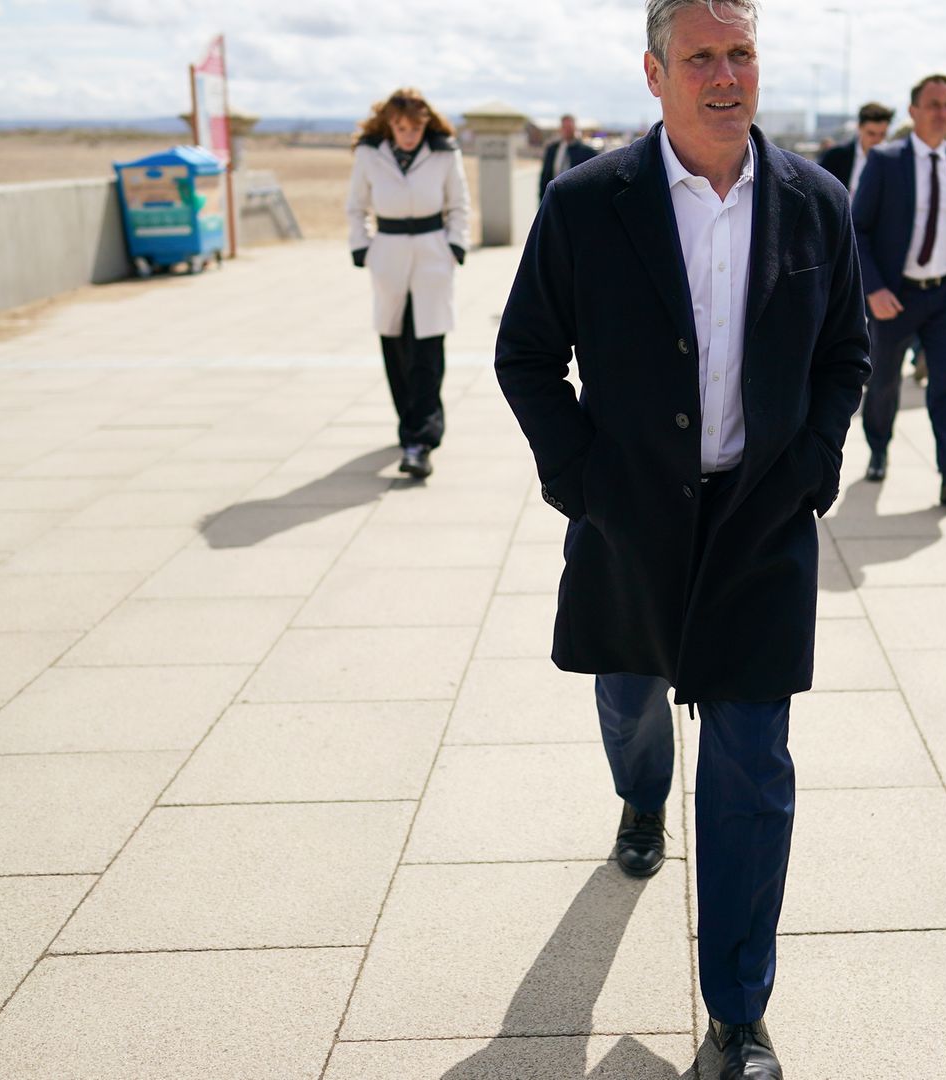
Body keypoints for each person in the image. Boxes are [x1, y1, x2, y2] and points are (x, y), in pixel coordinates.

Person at [494, 0, 870, 1075]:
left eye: (741, 52)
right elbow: (526, 357)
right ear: (654, 74)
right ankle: (642, 795)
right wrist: (582, 483)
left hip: (760, 522)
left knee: (753, 759)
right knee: (628, 691)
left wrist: (812, 464)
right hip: (631, 517)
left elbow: (846, 348)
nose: (724, 74)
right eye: (700, 56)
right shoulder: (585, 204)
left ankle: (738, 1014)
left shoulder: (816, 202)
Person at [852, 73, 946, 503]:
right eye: (933, 105)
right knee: (885, 381)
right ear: (913, 112)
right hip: (896, 295)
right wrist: (873, 289)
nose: (942, 113)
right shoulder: (886, 161)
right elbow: (858, 229)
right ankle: (878, 449)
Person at [346, 87, 472, 479]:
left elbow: (459, 204)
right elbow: (356, 206)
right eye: (400, 128)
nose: (408, 135)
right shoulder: (369, 155)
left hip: (433, 257)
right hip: (388, 257)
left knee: (427, 349)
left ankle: (421, 440)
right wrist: (362, 248)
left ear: (425, 124)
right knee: (396, 346)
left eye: (414, 128)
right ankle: (410, 427)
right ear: (389, 125)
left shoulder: (444, 152)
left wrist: (454, 246)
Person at [818, 101, 895, 199]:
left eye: (882, 134)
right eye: (871, 133)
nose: (877, 140)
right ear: (859, 127)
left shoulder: (892, 161)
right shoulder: (835, 156)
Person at [539, 113, 598, 196]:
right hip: (554, 197)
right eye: (564, 127)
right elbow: (545, 176)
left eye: (569, 127)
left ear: (575, 128)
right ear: (560, 129)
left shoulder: (587, 152)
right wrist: (542, 200)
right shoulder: (552, 149)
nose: (567, 130)